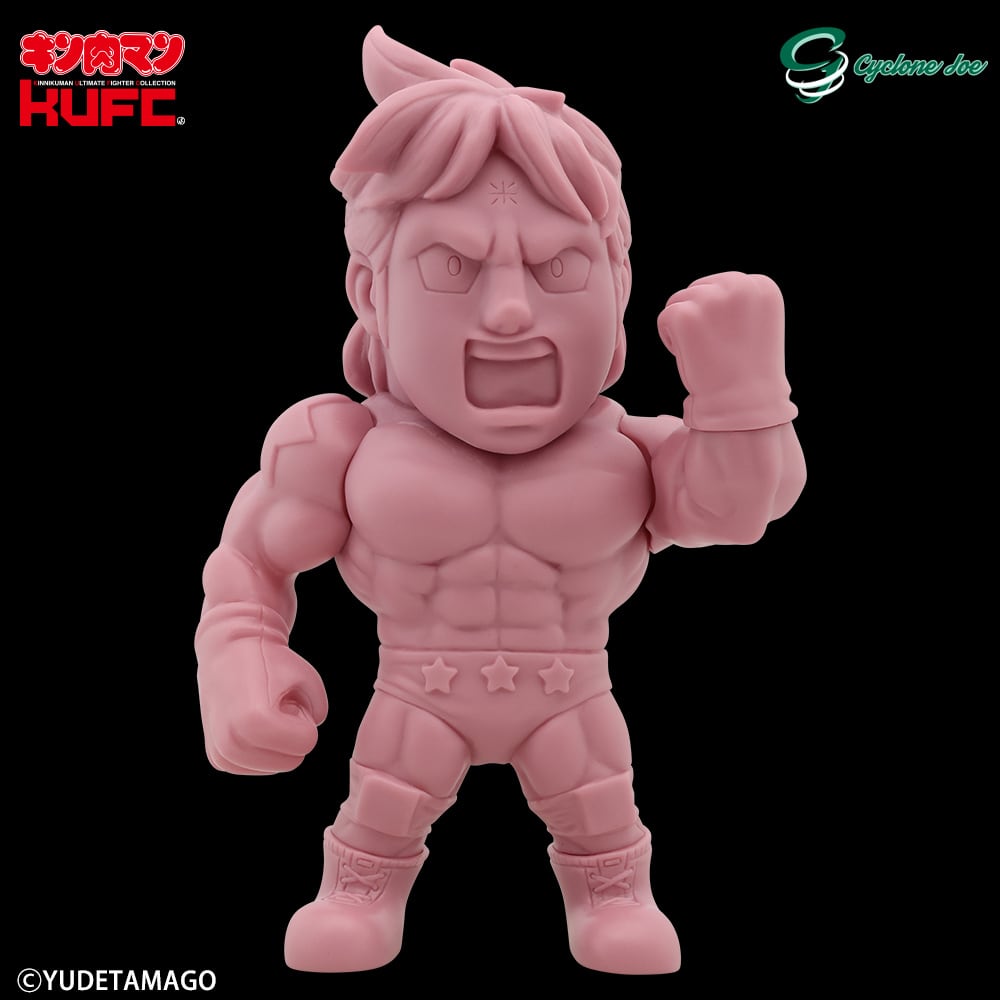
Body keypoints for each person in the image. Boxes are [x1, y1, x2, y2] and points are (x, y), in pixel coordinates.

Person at [195, 26, 806, 975]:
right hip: (413, 693)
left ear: (618, 284)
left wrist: (743, 396)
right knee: (381, 807)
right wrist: (237, 656)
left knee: (600, 808)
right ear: (370, 291)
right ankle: (360, 889)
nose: (512, 310)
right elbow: (250, 562)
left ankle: (613, 892)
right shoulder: (339, 443)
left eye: (561, 269)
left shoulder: (632, 450)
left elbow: (737, 510)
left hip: (574, 695)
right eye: (452, 267)